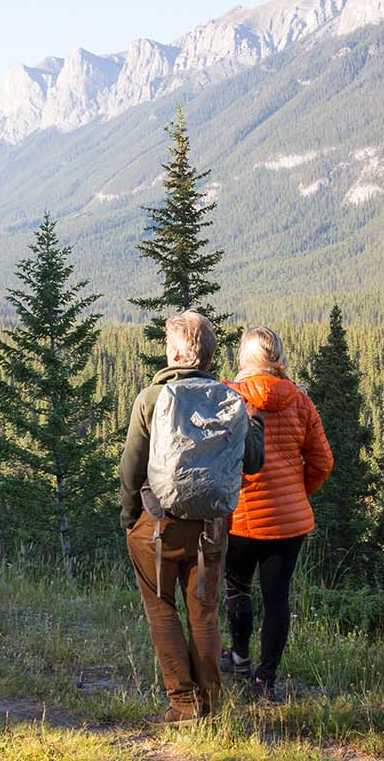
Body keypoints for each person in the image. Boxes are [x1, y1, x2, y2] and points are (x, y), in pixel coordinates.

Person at [120, 311, 266, 725]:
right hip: (211, 529)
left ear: (180, 351)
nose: (168, 349)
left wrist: (130, 519)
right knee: (203, 612)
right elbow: (253, 461)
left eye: (170, 343)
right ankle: (211, 705)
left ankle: (183, 705)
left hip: (158, 525)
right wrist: (253, 424)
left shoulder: (151, 398)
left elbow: (131, 468)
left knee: (161, 607)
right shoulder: (229, 399)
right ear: (207, 355)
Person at [221, 325, 333, 701]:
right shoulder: (300, 401)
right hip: (290, 522)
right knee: (277, 598)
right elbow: (322, 462)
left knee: (237, 588)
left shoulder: (229, 397)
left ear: (244, 358)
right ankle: (265, 680)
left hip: (240, 517)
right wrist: (297, 492)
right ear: (279, 358)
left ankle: (239, 659)